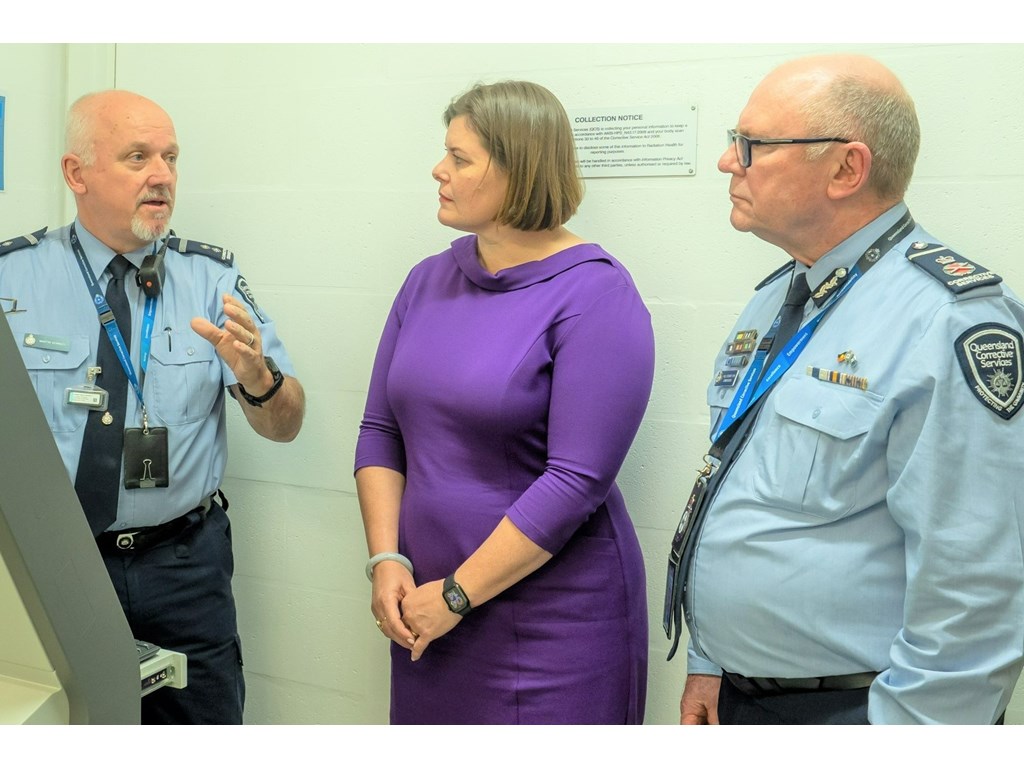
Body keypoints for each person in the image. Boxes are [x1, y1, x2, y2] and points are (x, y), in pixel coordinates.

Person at [663, 53, 1024, 725]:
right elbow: (736, 488)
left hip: (862, 711)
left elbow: (977, 588)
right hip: (745, 696)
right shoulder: (779, 299)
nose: (727, 163)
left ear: (845, 169)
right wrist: (711, 661)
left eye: (751, 145)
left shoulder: (950, 321)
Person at [0, 90, 305, 724]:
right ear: (76, 173)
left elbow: (287, 424)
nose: (161, 175)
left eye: (170, 158)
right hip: (51, 562)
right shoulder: (14, 277)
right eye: (137, 157)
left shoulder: (210, 279)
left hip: (184, 566)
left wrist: (258, 378)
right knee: (59, 726)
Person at [355, 80, 654, 724]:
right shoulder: (428, 279)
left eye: (460, 159)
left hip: (551, 624)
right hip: (424, 607)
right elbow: (381, 430)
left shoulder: (597, 294)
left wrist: (459, 595)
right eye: (445, 153)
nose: (439, 170)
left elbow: (576, 481)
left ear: (520, 169)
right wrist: (386, 560)